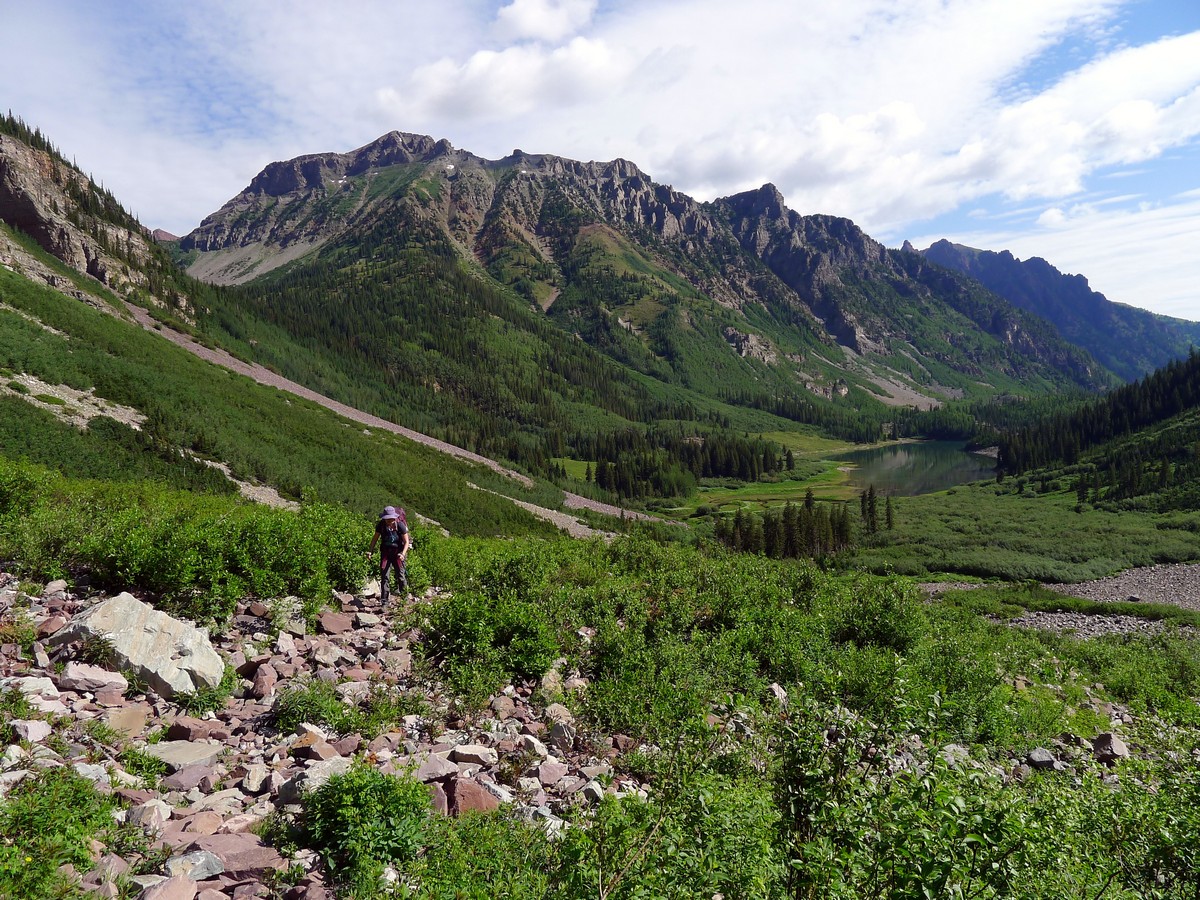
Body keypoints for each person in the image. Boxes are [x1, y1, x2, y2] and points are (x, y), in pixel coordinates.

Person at [368, 506, 410, 603]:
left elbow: (406, 541)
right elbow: (375, 539)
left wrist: (403, 554)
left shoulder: (400, 525)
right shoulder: (381, 525)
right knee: (384, 576)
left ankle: (404, 599)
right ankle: (384, 602)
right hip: (386, 553)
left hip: (398, 553)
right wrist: (370, 550)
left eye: (391, 519)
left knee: (400, 575)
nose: (389, 521)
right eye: (387, 519)